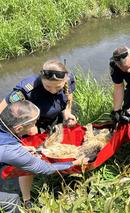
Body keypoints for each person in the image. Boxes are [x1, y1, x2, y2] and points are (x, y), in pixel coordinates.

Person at [0, 59, 77, 207]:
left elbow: (68, 97)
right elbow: (3, 110)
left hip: (54, 118)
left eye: (58, 87)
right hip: (30, 124)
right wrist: (24, 128)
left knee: (62, 146)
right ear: (41, 79)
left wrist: (67, 113)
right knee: (28, 163)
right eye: (48, 86)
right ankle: (27, 199)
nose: (53, 90)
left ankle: (62, 174)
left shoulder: (69, 79)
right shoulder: (27, 89)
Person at [0, 100, 87, 212]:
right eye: (33, 123)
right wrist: (74, 163)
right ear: (19, 129)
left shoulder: (4, 125)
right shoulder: (11, 150)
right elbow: (46, 168)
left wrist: (21, 149)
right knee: (11, 201)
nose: (35, 125)